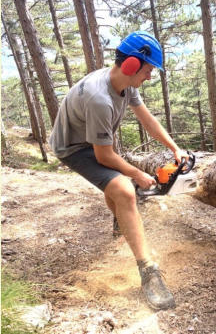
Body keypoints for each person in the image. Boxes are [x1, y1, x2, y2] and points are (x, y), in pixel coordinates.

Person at [49, 32, 186, 311]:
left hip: (92, 140)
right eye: (148, 71)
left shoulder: (125, 82)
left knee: (120, 188)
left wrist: (175, 148)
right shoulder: (100, 98)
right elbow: (104, 155)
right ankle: (148, 271)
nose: (149, 77)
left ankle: (120, 220)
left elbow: (147, 119)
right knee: (124, 188)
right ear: (132, 66)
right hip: (74, 147)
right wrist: (137, 174)